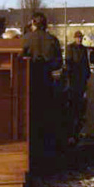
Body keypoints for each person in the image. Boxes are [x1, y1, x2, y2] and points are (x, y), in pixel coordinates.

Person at [22, 12, 63, 167]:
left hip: (30, 82)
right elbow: (58, 63)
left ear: (33, 23)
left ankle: (32, 157)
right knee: (46, 119)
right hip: (47, 83)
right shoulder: (52, 40)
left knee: (31, 120)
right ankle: (46, 158)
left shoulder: (25, 39)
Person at [66, 30, 91, 143]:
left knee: (80, 105)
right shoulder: (70, 48)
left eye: (80, 38)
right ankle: (72, 132)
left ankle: (77, 131)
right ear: (75, 38)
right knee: (73, 105)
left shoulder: (84, 49)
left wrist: (87, 74)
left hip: (81, 80)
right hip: (74, 80)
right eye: (78, 38)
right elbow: (69, 62)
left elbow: (86, 63)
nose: (79, 40)